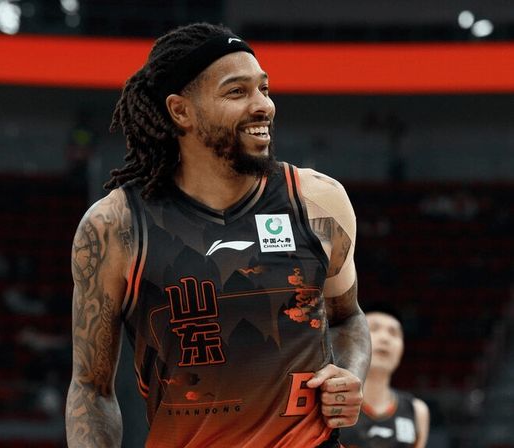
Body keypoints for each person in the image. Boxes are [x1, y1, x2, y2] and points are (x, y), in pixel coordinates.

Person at [65, 22, 371, 448]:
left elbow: (348, 318)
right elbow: (91, 389)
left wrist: (350, 375)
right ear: (181, 111)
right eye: (237, 92)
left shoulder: (317, 200)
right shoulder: (115, 226)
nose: (263, 105)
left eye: (264, 88)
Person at [341, 303, 430, 448]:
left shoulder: (417, 412)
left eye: (394, 333)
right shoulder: (332, 400)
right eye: (374, 328)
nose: (385, 338)